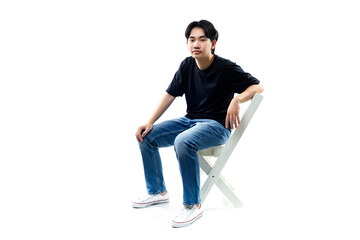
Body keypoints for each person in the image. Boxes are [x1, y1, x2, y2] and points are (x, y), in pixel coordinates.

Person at [132, 20, 264, 228]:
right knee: (146, 136)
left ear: (213, 43)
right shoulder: (187, 65)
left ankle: (192, 205)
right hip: (190, 120)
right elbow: (170, 94)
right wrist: (149, 122)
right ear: (187, 43)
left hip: (217, 126)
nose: (196, 44)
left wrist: (237, 99)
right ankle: (157, 191)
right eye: (192, 39)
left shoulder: (226, 68)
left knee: (183, 141)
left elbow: (258, 86)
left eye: (202, 39)